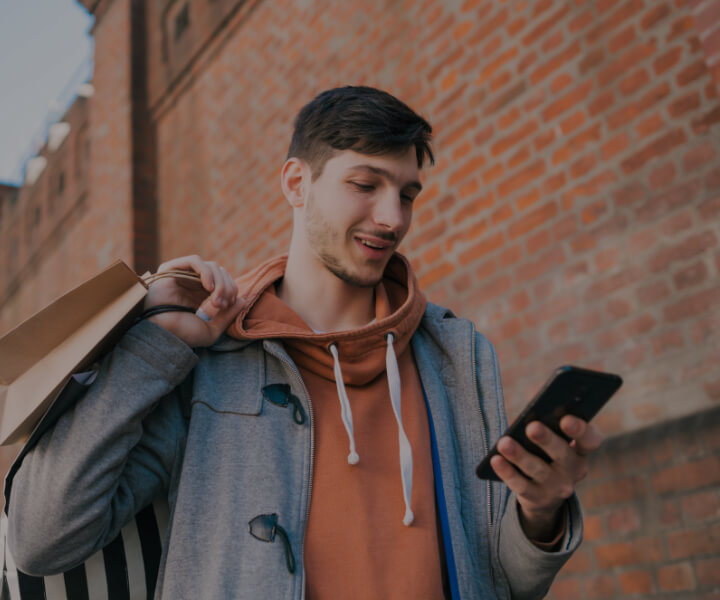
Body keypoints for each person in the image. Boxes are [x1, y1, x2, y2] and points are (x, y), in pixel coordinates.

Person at [8, 86, 601, 599]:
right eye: (365, 184)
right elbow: (42, 538)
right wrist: (155, 345)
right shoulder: (212, 361)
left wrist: (540, 510)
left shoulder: (457, 354)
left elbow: (503, 582)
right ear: (297, 182)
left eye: (408, 194)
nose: (392, 217)